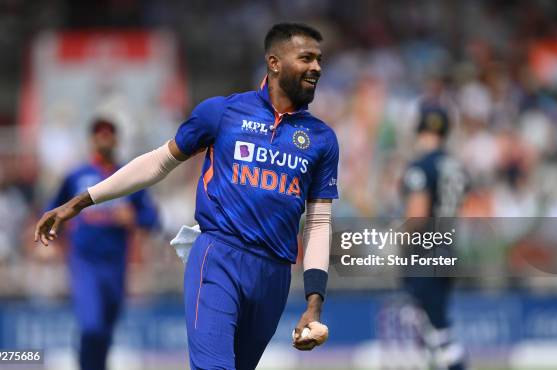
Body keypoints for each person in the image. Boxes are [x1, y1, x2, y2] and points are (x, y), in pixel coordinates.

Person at [35, 23, 338, 370]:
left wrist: (315, 302)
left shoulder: (322, 139)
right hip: (219, 257)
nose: (316, 67)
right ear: (274, 63)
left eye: (319, 59)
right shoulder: (222, 113)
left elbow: (318, 222)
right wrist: (81, 201)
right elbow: (159, 162)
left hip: (274, 275)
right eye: (306, 58)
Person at [46, 118, 159, 370]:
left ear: (116, 139)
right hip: (85, 262)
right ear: (92, 139)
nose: (104, 139)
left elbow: (151, 219)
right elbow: (53, 210)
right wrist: (53, 241)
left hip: (116, 264)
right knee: (91, 325)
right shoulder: (76, 176)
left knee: (106, 327)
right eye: (99, 134)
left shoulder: (127, 177)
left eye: (109, 134)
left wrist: (133, 217)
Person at [400, 104, 468, 370]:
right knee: (436, 330)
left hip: (424, 255)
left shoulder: (420, 166)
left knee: (437, 334)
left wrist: (393, 237)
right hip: (447, 251)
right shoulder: (455, 166)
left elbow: (417, 216)